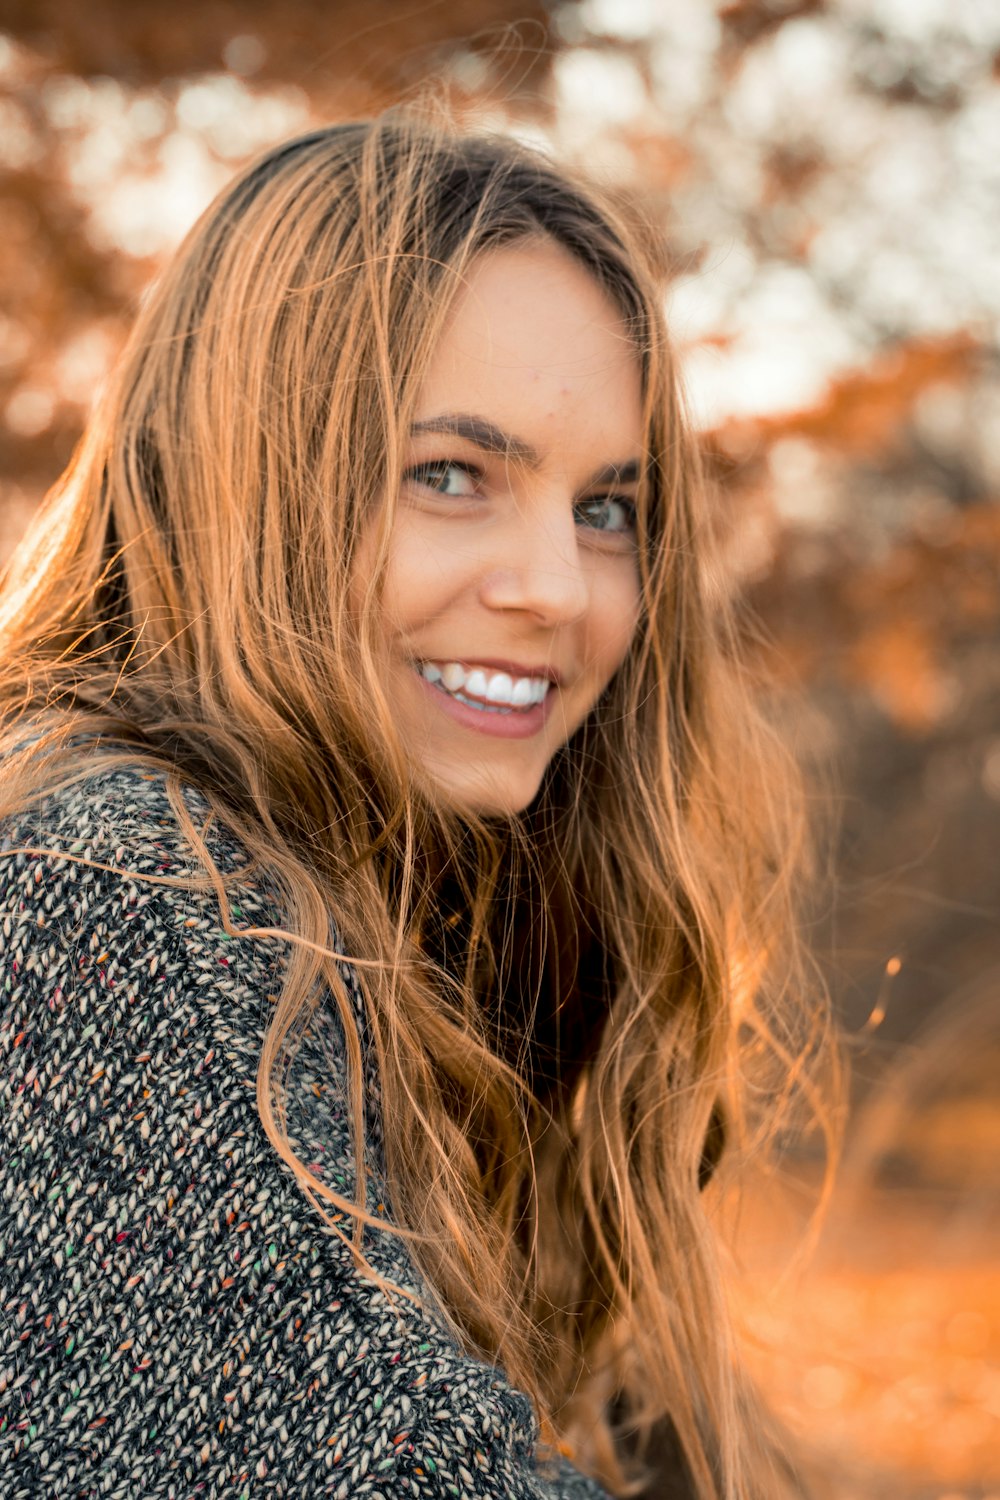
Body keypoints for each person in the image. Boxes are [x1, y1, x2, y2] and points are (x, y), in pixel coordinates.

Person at [0, 113, 835, 1499]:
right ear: (250, 480)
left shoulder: (412, 914)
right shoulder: (111, 883)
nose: (558, 590)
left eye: (606, 508)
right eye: (451, 475)